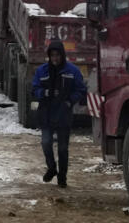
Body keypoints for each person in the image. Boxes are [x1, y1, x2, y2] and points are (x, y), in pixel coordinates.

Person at [31, 40, 86, 188]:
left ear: (63, 55)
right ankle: (52, 168)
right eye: (52, 55)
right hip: (46, 114)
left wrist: (70, 102)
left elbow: (81, 90)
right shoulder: (42, 71)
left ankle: (62, 177)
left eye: (58, 55)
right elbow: (34, 89)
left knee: (63, 148)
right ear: (49, 56)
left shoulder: (72, 71)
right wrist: (45, 92)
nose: (55, 58)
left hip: (63, 115)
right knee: (46, 143)